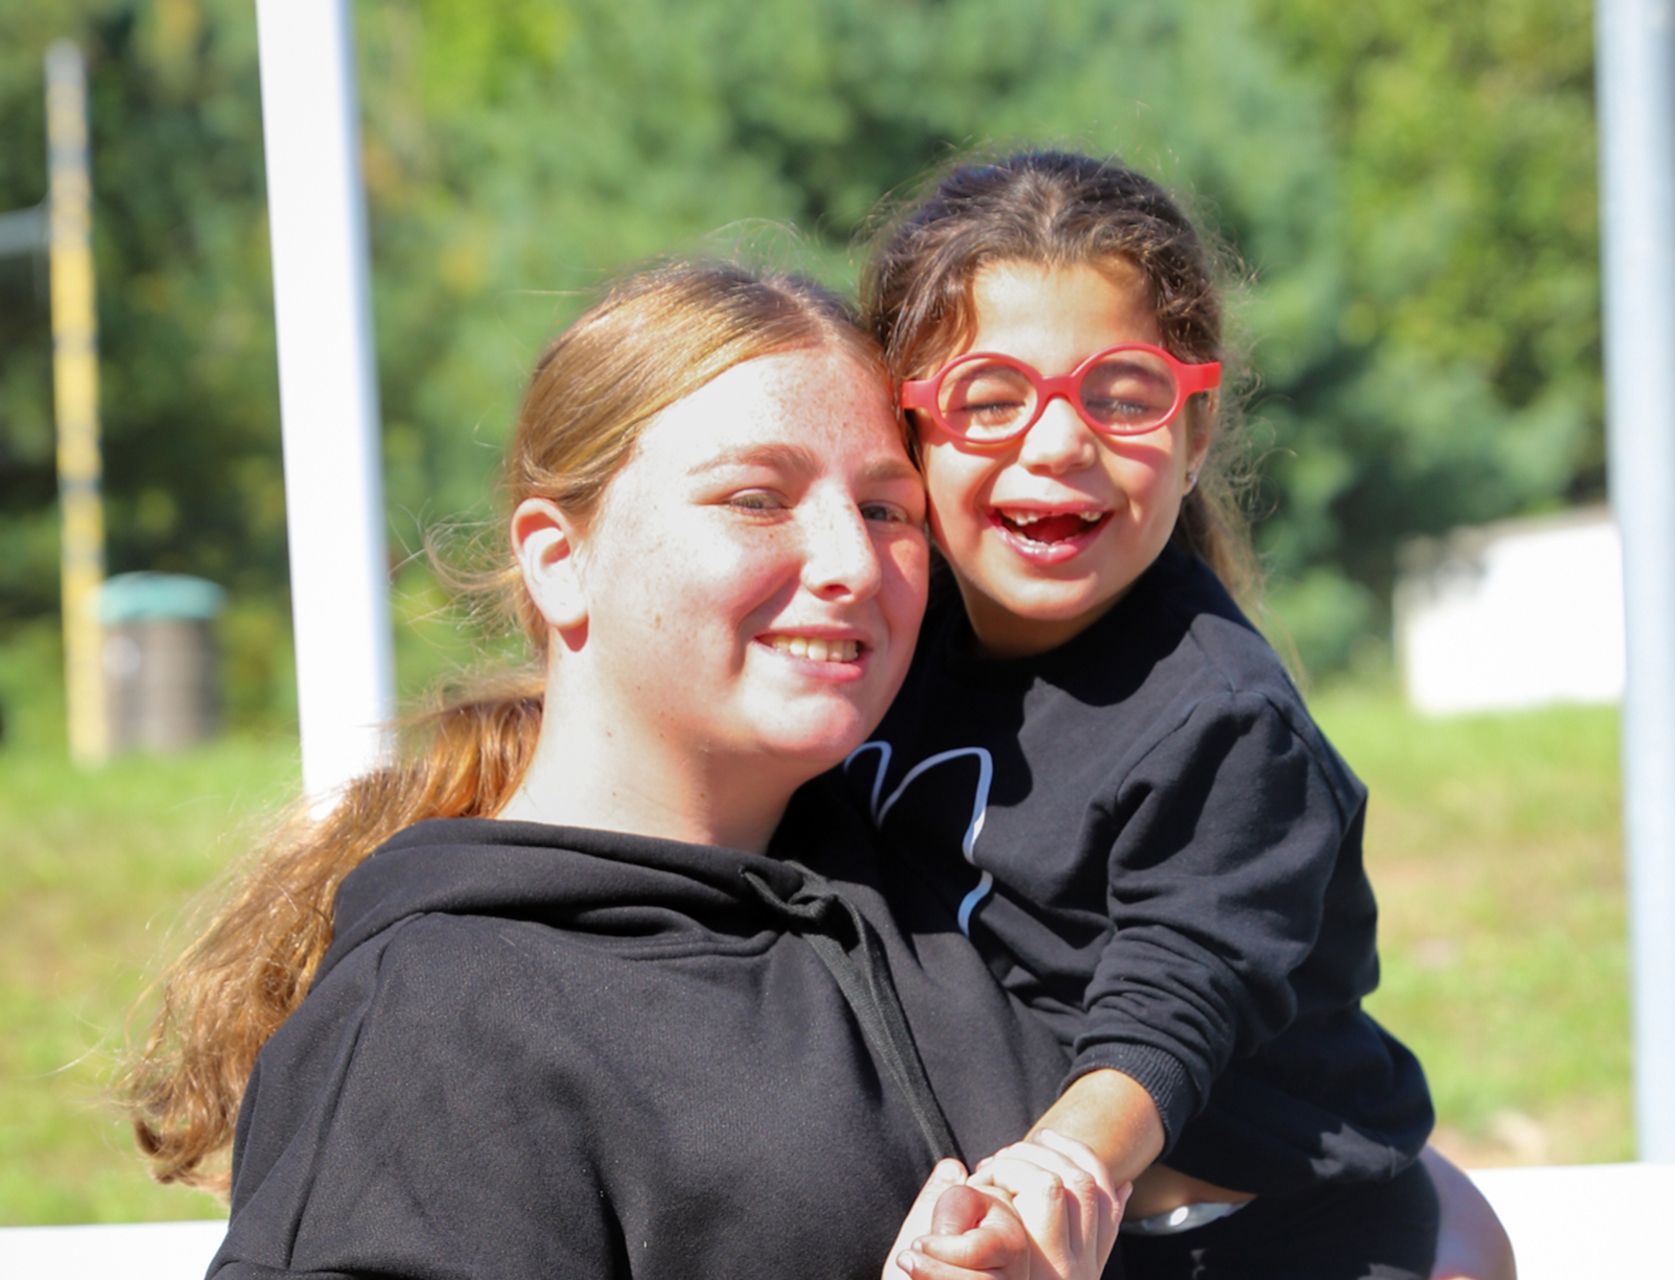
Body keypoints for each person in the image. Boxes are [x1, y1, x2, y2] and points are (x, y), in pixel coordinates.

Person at [124, 261, 1125, 1280]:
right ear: (560, 559)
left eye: (884, 510)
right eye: (755, 496)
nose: (853, 563)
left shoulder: (954, 897)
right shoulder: (438, 1017)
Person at [854, 150, 1515, 1279]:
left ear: (1196, 430)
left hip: (1264, 1243)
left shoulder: (1224, 719)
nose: (1058, 442)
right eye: (990, 397)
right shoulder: (873, 641)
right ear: (905, 430)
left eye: (1121, 392)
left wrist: (1063, 1167)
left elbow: (1177, 992)